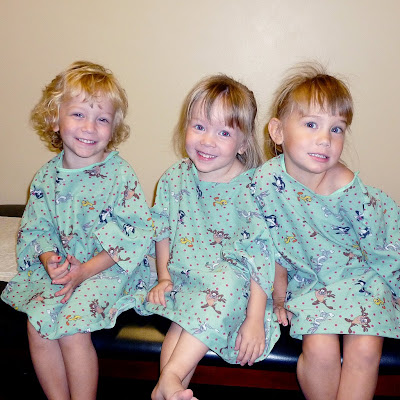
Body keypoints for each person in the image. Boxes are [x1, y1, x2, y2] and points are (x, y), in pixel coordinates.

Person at [1, 61, 154, 400]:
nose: (90, 127)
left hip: (108, 268)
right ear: (55, 119)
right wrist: (49, 259)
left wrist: (85, 270)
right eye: (78, 115)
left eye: (102, 119)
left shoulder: (119, 175)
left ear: (113, 128)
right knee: (37, 324)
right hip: (66, 268)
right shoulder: (46, 177)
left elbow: (135, 234)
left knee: (72, 327)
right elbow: (37, 226)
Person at [252, 62, 400, 400]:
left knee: (365, 349)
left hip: (362, 277)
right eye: (311, 124)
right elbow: (270, 244)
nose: (325, 139)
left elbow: (382, 247)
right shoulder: (265, 183)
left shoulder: (345, 185)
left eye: (337, 129)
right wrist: (278, 297)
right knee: (320, 350)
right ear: (277, 132)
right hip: (310, 282)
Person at [145, 74, 280, 400]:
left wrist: (254, 319)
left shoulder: (254, 188)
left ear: (243, 144)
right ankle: (168, 389)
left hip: (233, 285)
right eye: (199, 127)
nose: (208, 141)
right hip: (186, 276)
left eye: (224, 132)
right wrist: (163, 277)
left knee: (215, 292)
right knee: (182, 321)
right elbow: (162, 230)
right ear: (186, 127)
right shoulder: (174, 179)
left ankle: (168, 381)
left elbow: (261, 256)